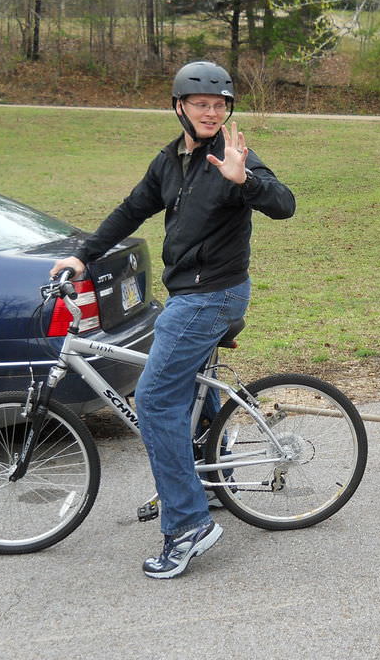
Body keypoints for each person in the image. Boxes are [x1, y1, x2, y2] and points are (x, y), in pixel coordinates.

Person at [50, 60, 296, 579]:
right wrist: (83, 256)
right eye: (201, 104)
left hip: (213, 297)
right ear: (180, 107)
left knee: (157, 398)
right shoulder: (169, 161)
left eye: (220, 105)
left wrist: (245, 178)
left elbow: (284, 203)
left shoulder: (230, 159)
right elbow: (130, 210)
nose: (211, 112)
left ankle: (187, 525)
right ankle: (211, 476)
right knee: (183, 388)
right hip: (187, 295)